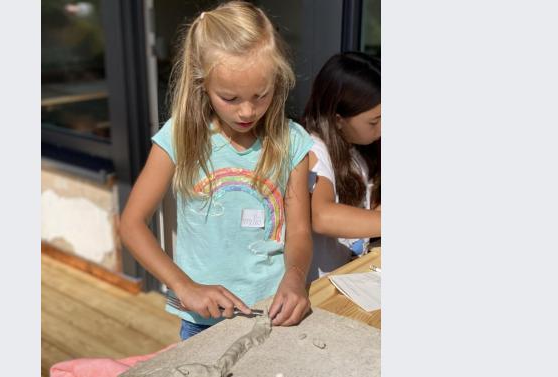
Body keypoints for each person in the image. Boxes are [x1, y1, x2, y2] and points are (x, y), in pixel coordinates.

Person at [119, 1, 313, 340]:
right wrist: (185, 286)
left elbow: (298, 231)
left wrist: (295, 277)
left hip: (275, 312)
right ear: (202, 85)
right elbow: (132, 223)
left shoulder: (292, 140)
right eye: (230, 98)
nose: (247, 111)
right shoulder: (179, 137)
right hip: (201, 320)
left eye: (261, 94)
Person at [301, 52, 381, 282]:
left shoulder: (357, 148)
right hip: (319, 290)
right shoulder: (313, 150)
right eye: (374, 122)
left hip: (351, 278)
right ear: (337, 119)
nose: (382, 128)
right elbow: (322, 216)